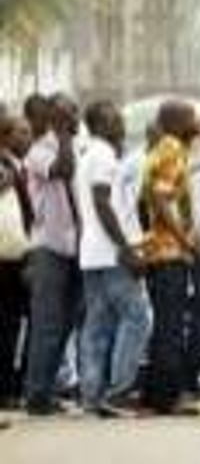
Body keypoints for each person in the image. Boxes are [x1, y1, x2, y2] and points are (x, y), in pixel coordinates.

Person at [76, 100, 151, 419]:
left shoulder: (89, 155)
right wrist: (126, 248)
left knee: (97, 326)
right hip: (111, 252)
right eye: (115, 118)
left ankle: (92, 397)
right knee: (138, 317)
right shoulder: (104, 154)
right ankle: (118, 394)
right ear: (101, 123)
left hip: (92, 253)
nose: (121, 122)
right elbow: (102, 201)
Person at [139, 100, 200, 415]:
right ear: (177, 121)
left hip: (159, 252)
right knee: (170, 327)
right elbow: (161, 200)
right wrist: (185, 242)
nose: (197, 120)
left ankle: (156, 395)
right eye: (192, 115)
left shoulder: (164, 148)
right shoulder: (172, 148)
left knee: (166, 325)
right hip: (168, 252)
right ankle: (167, 398)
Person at [22, 93, 82, 417]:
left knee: (65, 325)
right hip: (49, 247)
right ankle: (35, 394)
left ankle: (49, 390)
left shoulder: (78, 144)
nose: (75, 116)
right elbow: (63, 169)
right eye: (67, 113)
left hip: (76, 249)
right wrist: (61, 134)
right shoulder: (39, 150)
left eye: (73, 112)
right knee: (46, 324)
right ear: (54, 118)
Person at [0, 113, 33, 409]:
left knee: (13, 325)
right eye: (21, 133)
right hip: (5, 259)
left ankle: (14, 387)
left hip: (17, 256)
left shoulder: (16, 166)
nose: (27, 138)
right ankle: (7, 390)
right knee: (7, 325)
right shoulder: (7, 167)